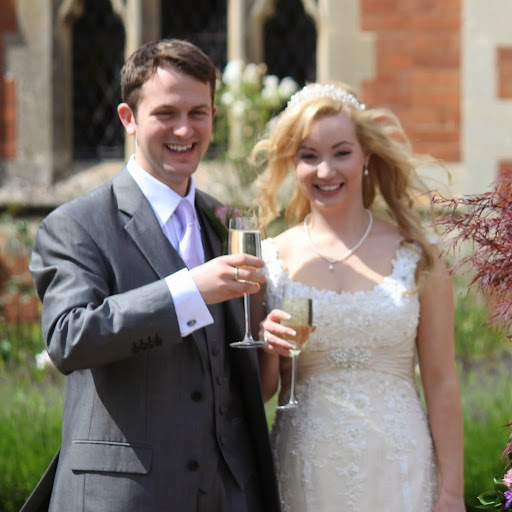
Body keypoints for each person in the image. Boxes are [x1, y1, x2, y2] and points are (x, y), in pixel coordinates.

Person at [21, 39, 280, 512]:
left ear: (214, 118)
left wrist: (270, 343)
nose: (185, 128)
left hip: (231, 494)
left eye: (198, 113)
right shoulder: (75, 225)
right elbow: (68, 337)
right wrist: (189, 291)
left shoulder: (227, 223)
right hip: (123, 497)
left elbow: (235, 370)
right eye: (166, 113)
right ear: (128, 118)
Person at [252, 82, 465, 511]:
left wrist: (452, 492)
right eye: (308, 156)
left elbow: (441, 381)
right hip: (305, 469)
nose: (325, 171)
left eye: (341, 153)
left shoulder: (417, 254)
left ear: (366, 155)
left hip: (400, 466)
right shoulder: (269, 260)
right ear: (292, 163)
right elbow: (262, 391)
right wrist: (267, 345)